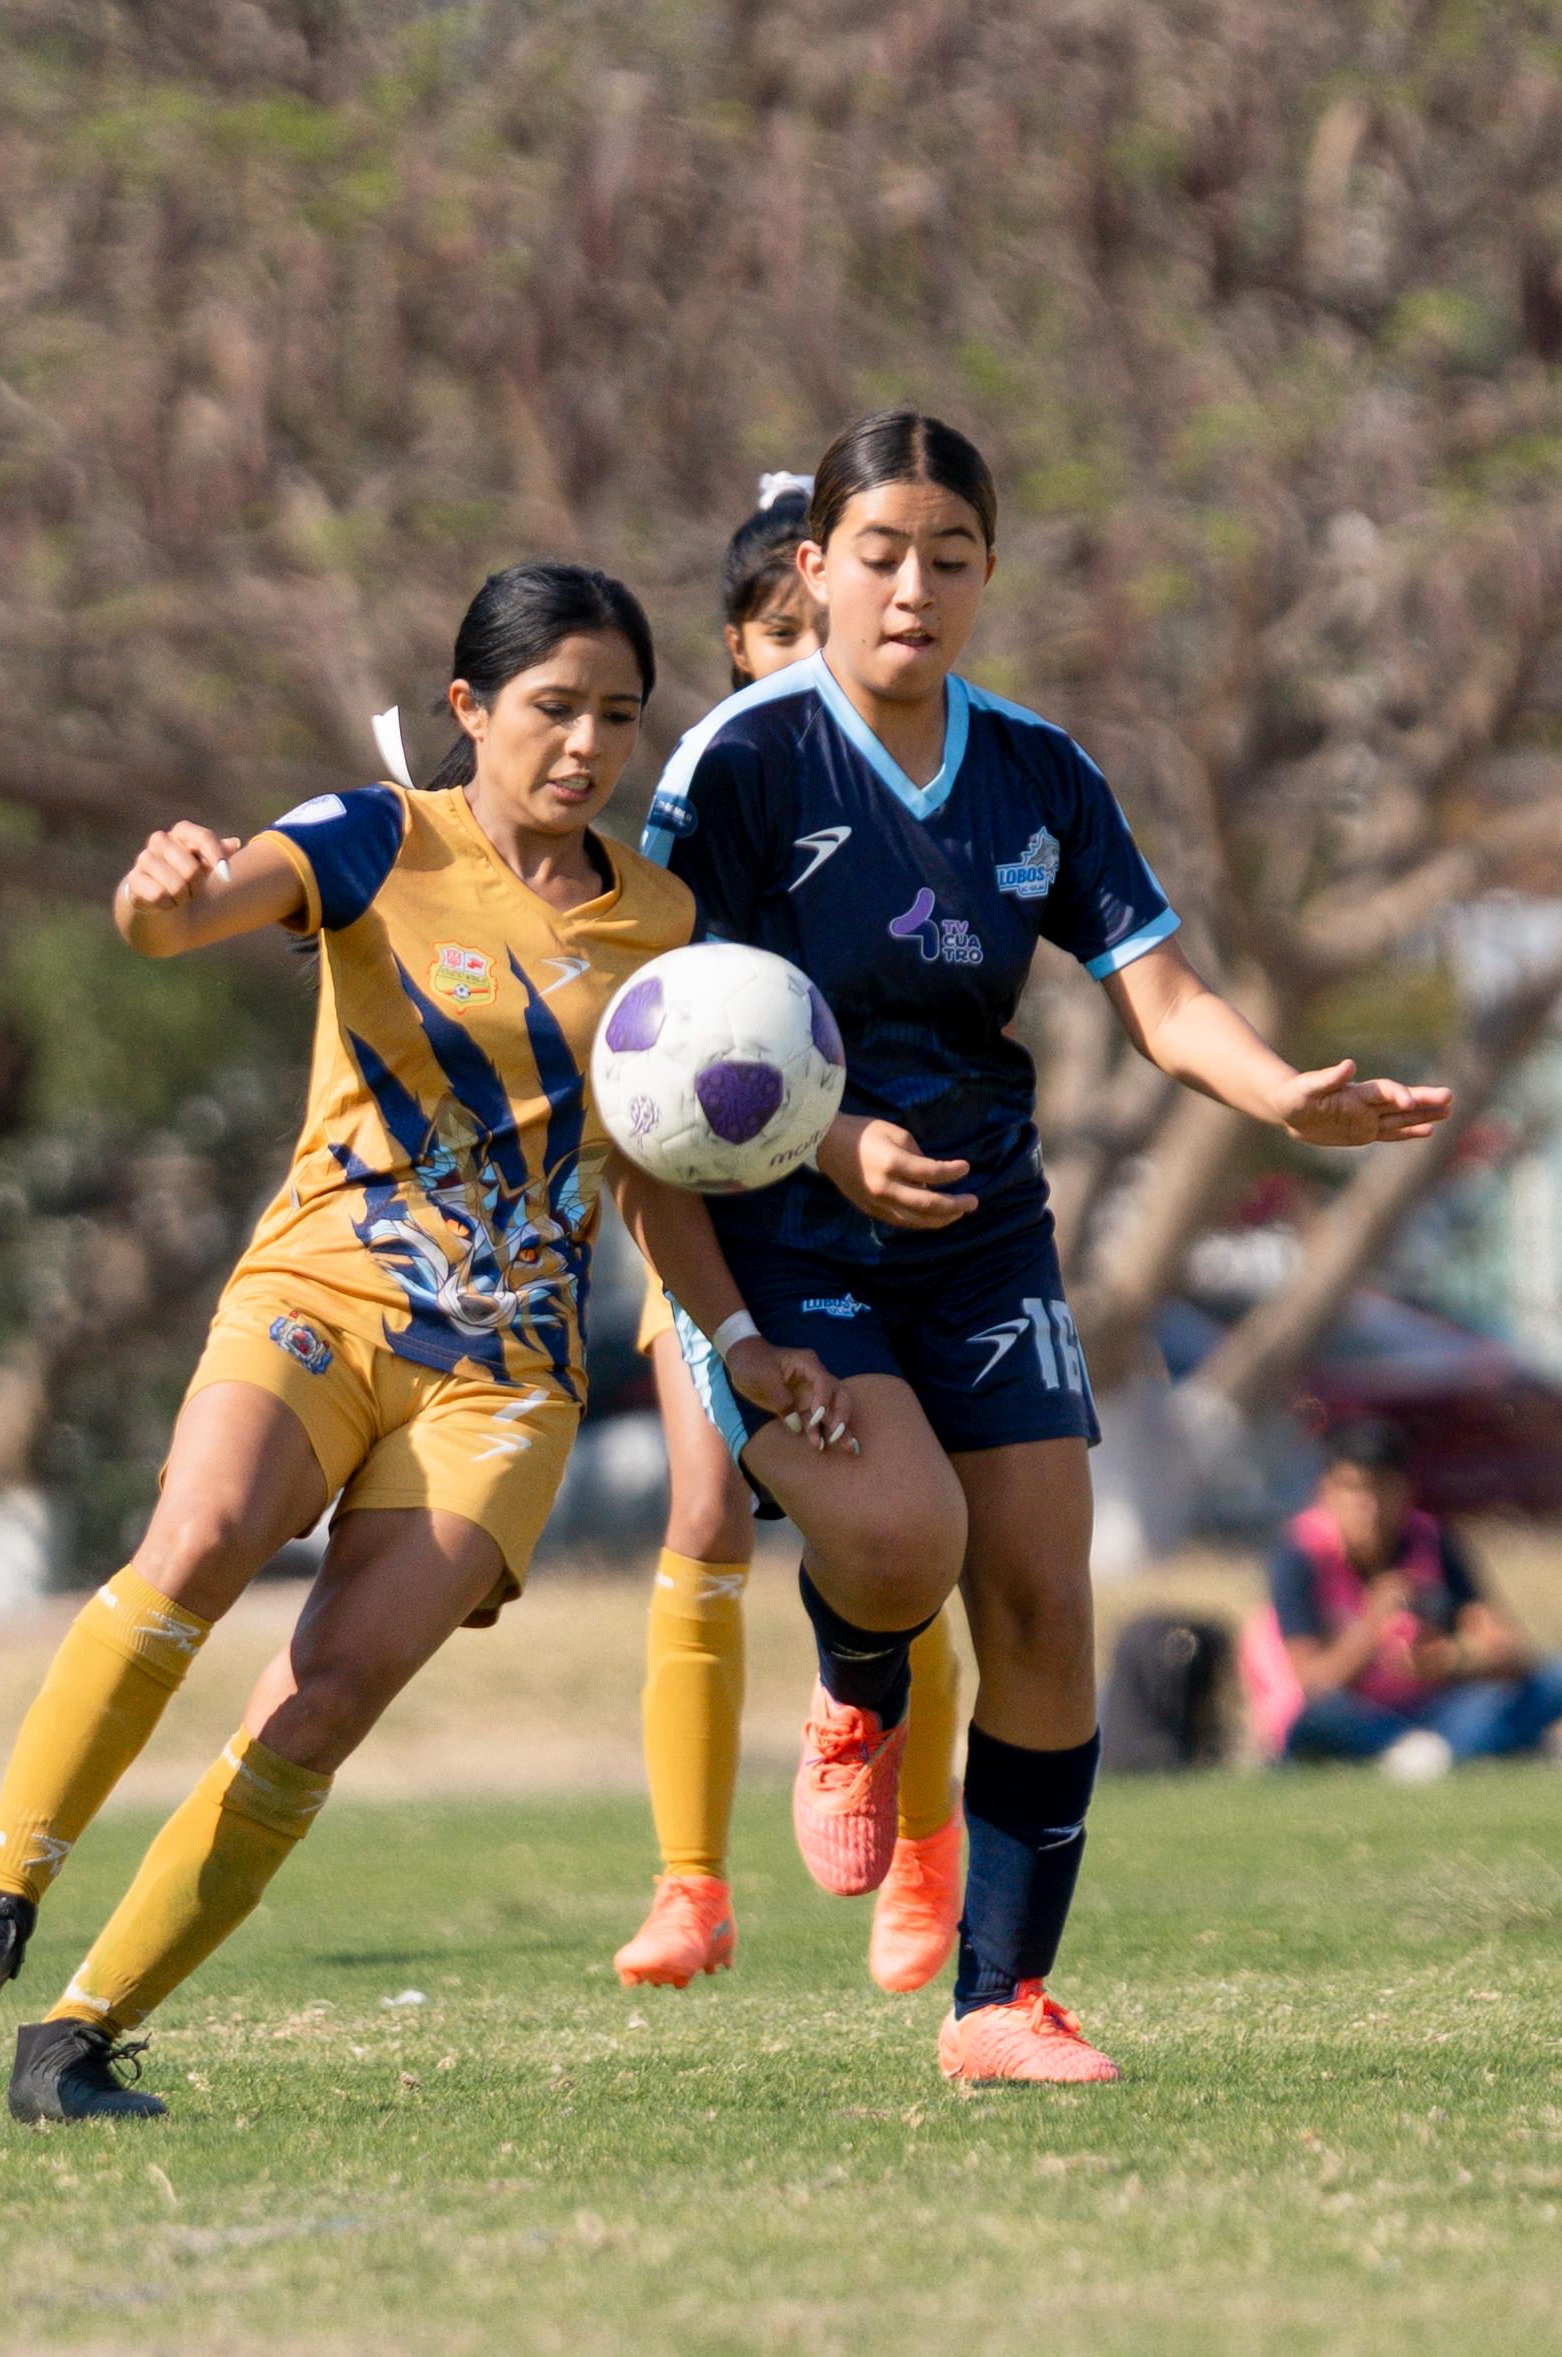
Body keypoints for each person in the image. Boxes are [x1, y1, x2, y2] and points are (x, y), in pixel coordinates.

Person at [0, 563, 853, 2124]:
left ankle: (73, 2038)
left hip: (506, 1376)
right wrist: (156, 890)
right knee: (197, 1539)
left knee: (326, 1695)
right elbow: (178, 920)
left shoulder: (662, 925)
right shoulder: (373, 836)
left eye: (617, 715)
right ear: (468, 706)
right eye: (552, 707)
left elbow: (652, 1166)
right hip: (320, 1296)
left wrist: (734, 1337)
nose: (586, 744)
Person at [643, 411, 1449, 2083]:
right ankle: (858, 1682)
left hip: (987, 1231)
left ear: (987, 573)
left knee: (1039, 1600)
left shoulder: (1035, 769)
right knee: (900, 1540)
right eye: (879, 556)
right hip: (787, 1232)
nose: (911, 589)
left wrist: (1282, 1095)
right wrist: (830, 1138)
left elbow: (1160, 994)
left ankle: (997, 2001)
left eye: (947, 558)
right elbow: (662, 1030)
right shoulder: (736, 764)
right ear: (814, 568)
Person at [616, 475, 977, 2000]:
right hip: (710, 1213)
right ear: (738, 642)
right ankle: (688, 1885)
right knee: (703, 1513)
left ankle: (925, 1845)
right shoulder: (711, 795)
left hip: (878, 1210)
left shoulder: (917, 784)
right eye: (776, 634)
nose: (802, 659)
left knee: (900, 1528)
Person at [1258, 1420, 1562, 1779]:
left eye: (1382, 1487)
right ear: (1327, 1492)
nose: (1369, 1506)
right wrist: (1373, 1625)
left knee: (1558, 1677)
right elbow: (1314, 1681)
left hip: (1430, 1709)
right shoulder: (1300, 1554)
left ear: (1405, 1490)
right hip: (1356, 1713)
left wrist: (1450, 1661)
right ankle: (1468, 1748)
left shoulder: (1431, 1541)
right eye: (1353, 1489)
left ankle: (1421, 1754)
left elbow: (1509, 1653)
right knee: (1319, 1717)